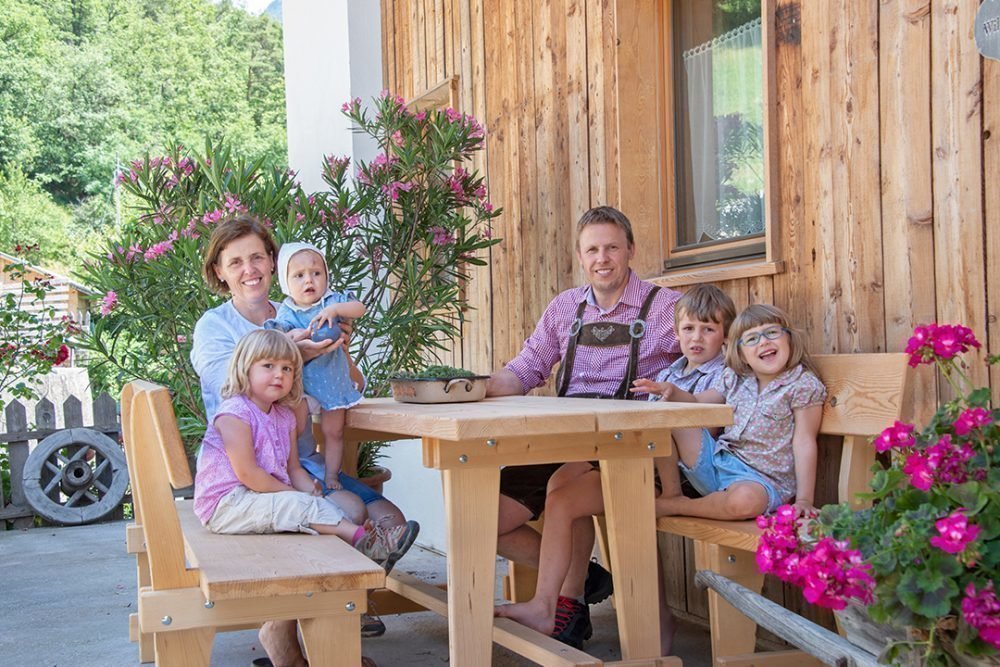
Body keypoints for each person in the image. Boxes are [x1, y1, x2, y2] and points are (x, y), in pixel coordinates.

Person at [190, 214, 413, 665]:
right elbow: (227, 385)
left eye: (257, 257)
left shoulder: (299, 307)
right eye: (236, 262)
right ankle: (315, 632)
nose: (249, 269)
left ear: (273, 263)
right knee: (347, 510)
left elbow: (347, 384)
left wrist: (339, 352)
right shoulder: (215, 327)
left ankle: (329, 615)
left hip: (301, 460)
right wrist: (292, 353)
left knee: (392, 518)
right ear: (219, 271)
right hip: (251, 470)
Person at [494, 283, 736, 650]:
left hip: (679, 475)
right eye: (688, 329)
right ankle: (552, 601)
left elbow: (709, 411)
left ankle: (628, 620)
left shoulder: (719, 369)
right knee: (558, 494)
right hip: (613, 450)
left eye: (708, 329)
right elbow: (527, 366)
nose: (696, 337)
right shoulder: (671, 370)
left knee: (589, 500)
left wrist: (673, 398)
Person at [485, 205, 683, 649]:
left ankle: (562, 605)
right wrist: (478, 388)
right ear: (580, 255)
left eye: (612, 247)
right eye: (592, 249)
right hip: (564, 439)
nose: (603, 258)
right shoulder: (565, 308)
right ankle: (584, 577)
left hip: (633, 447)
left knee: (563, 490)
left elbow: (708, 362)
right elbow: (526, 368)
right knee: (486, 519)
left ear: (631, 250)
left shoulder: (668, 308)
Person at [193, 329, 419, 572]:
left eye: (287, 369)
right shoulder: (234, 413)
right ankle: (367, 543)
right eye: (268, 365)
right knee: (301, 507)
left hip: (262, 497)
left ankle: (356, 565)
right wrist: (294, 495)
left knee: (324, 506)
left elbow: (293, 468)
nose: (279, 374)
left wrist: (310, 490)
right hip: (227, 505)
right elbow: (249, 474)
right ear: (244, 369)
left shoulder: (284, 417)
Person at [652, 303, 826, 520]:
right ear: (742, 354)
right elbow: (697, 403)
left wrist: (804, 500)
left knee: (744, 501)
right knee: (669, 414)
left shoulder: (802, 385)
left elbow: (804, 441)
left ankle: (677, 506)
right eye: (752, 339)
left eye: (772, 333)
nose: (764, 342)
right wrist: (673, 392)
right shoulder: (735, 378)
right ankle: (671, 493)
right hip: (716, 463)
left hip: (762, 482)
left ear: (789, 338)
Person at [265, 241, 366, 494]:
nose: (309, 280)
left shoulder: (332, 301)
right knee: (298, 427)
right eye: (299, 275)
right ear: (285, 282)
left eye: (316, 273)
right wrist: (297, 336)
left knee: (334, 432)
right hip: (304, 387)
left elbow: (359, 308)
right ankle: (295, 468)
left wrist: (335, 309)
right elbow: (280, 343)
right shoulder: (287, 312)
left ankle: (332, 474)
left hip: (333, 383)